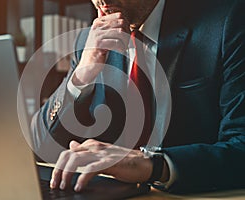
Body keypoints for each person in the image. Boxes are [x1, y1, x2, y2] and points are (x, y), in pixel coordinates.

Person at [31, 0, 245, 194]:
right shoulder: (90, 41)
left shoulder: (228, 21)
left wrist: (152, 165)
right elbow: (41, 144)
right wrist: (81, 76)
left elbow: (240, 146)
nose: (101, 1)